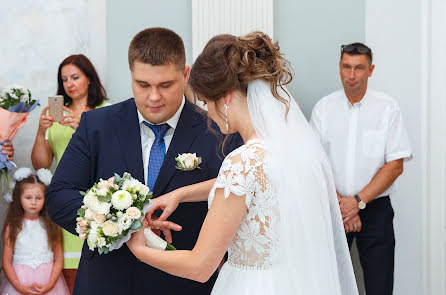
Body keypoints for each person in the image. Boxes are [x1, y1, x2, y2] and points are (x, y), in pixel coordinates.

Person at [126, 32, 358, 294]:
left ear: (225, 98)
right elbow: (254, 184)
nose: (209, 115)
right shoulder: (293, 152)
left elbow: (201, 266)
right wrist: (182, 193)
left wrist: (138, 248)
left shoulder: (242, 161)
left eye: (206, 102)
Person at [45, 27, 242, 295]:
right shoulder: (97, 125)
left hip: (182, 285)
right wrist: (119, 221)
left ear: (185, 76)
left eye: (165, 85)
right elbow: (58, 195)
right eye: (143, 85)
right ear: (131, 76)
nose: (154, 97)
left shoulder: (220, 131)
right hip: (106, 281)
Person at [309, 43, 412, 295]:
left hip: (376, 211)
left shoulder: (388, 108)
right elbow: (314, 163)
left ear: (371, 70)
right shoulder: (324, 108)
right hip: (334, 210)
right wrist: (343, 206)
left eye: (359, 68)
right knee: (329, 284)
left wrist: (358, 202)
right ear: (340, 67)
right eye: (346, 67)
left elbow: (395, 165)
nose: (351, 74)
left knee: (380, 285)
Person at [31, 54, 109, 292]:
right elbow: (41, 165)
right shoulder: (54, 114)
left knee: (100, 271)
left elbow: (113, 154)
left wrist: (82, 127)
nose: (69, 84)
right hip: (64, 200)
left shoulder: (106, 111)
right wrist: (40, 132)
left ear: (89, 79)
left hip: (99, 199)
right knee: (68, 277)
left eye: (75, 77)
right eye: (64, 79)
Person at [0, 168, 69, 295]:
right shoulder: (13, 227)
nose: (33, 202)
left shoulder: (51, 226)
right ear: (18, 198)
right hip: (19, 281)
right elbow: (6, 261)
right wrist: (19, 287)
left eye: (38, 198)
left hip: (48, 281)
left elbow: (58, 259)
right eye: (28, 197)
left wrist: (50, 285)